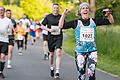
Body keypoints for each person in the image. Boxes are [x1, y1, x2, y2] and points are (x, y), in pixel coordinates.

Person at [59, 2, 114, 80]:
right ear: (80, 11)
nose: (85, 9)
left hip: (92, 51)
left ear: (89, 11)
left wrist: (109, 14)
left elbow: (111, 22)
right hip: (80, 52)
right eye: (83, 8)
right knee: (81, 75)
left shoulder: (94, 21)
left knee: (91, 73)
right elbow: (61, 26)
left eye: (87, 8)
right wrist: (63, 15)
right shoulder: (75, 22)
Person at [41, 3, 63, 78]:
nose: (56, 9)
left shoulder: (61, 17)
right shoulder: (48, 17)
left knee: (59, 52)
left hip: (59, 37)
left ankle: (57, 71)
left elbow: (64, 25)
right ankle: (51, 67)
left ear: (58, 9)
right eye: (54, 8)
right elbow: (42, 26)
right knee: (51, 54)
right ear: (52, 8)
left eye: (57, 8)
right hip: (50, 37)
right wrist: (49, 29)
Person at [0, 6, 13, 79]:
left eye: (2, 10)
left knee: (2, 56)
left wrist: (7, 31)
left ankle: (1, 72)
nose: (0, 11)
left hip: (4, 40)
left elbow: (10, 30)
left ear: (4, 12)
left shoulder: (8, 20)